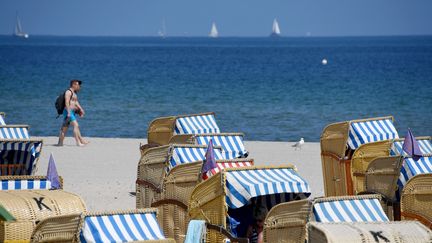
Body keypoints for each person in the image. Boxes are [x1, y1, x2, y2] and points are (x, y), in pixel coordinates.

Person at [57, 80, 89, 146]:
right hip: (68, 112)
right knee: (76, 125)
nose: (79, 87)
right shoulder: (68, 92)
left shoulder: (74, 93)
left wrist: (81, 109)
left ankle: (60, 143)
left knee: (65, 128)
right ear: (73, 85)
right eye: (78, 85)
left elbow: (76, 102)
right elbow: (66, 102)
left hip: (72, 112)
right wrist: (69, 112)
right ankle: (78, 143)